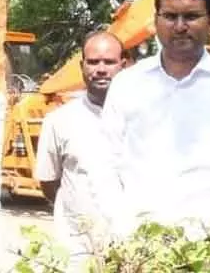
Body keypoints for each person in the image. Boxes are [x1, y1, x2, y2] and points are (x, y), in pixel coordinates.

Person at [101, 0, 210, 236]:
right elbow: (106, 164)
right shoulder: (127, 84)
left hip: (209, 245)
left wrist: (208, 236)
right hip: (136, 243)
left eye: (191, 16)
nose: (179, 26)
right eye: (169, 16)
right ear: (155, 21)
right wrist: (124, 229)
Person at [33, 30, 125, 269]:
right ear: (82, 66)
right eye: (93, 62)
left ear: (124, 65)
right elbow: (49, 183)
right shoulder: (59, 121)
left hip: (132, 251)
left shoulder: (143, 120)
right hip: (78, 253)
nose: (101, 69)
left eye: (109, 62)